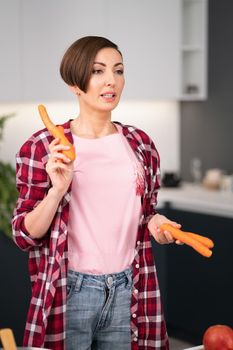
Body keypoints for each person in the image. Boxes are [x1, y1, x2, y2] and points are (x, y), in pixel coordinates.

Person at [12, 36, 181, 350]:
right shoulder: (42, 147)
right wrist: (56, 191)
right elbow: (24, 236)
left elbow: (146, 212)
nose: (111, 81)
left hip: (129, 286)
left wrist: (156, 224)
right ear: (75, 83)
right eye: (98, 71)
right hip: (72, 290)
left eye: (118, 71)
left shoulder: (139, 143)